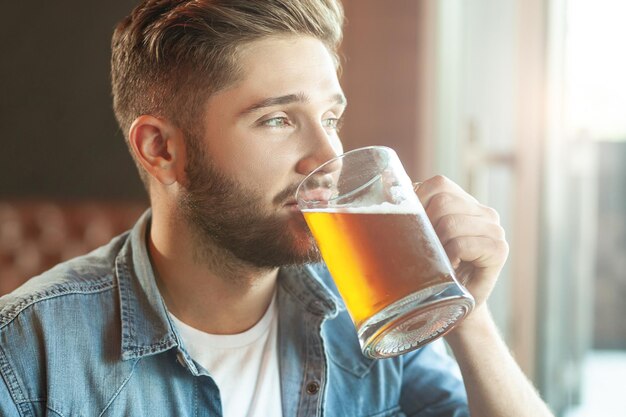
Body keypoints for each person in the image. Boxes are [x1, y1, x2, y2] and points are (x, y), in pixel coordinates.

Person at [0, 1, 554, 416]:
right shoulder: (29, 351)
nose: (328, 155)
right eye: (277, 119)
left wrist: (466, 315)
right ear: (161, 149)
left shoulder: (365, 306)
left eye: (330, 118)